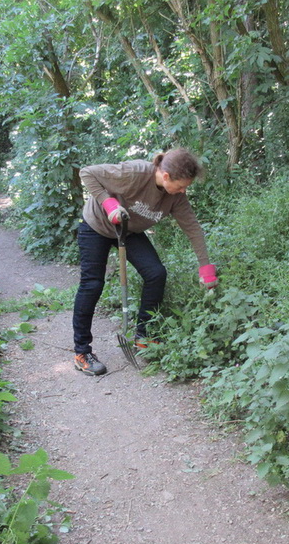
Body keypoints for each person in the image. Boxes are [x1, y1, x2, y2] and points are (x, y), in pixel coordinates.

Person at [72, 148, 218, 376]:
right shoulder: (135, 173)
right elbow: (87, 173)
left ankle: (143, 336)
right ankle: (82, 352)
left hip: (128, 230)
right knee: (92, 284)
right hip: (97, 225)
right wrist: (109, 204)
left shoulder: (176, 197)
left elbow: (193, 229)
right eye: (181, 186)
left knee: (156, 273)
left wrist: (205, 267)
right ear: (166, 176)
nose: (183, 191)